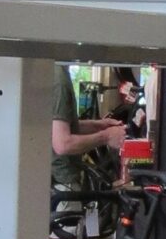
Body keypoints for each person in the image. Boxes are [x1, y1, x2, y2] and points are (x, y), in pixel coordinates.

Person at [52, 64, 126, 194]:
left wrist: (98, 126)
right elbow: (63, 144)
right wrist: (106, 137)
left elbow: (58, 128)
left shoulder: (53, 71)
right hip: (62, 183)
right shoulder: (59, 81)